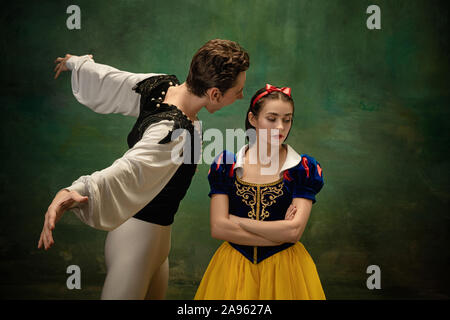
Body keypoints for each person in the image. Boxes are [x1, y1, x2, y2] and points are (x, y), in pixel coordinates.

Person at [37, 39, 249, 299]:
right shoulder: (172, 132)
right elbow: (129, 168)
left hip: (157, 243)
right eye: (238, 91)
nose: (241, 96)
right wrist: (75, 190)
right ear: (215, 93)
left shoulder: (161, 85)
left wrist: (76, 63)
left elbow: (115, 79)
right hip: (135, 240)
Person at [194, 84, 326, 300]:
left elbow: (293, 233)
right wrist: (277, 234)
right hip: (233, 269)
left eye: (287, 119)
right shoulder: (227, 164)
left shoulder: (302, 168)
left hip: (286, 270)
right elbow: (218, 228)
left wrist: (237, 221)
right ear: (253, 119)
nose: (280, 127)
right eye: (272, 118)